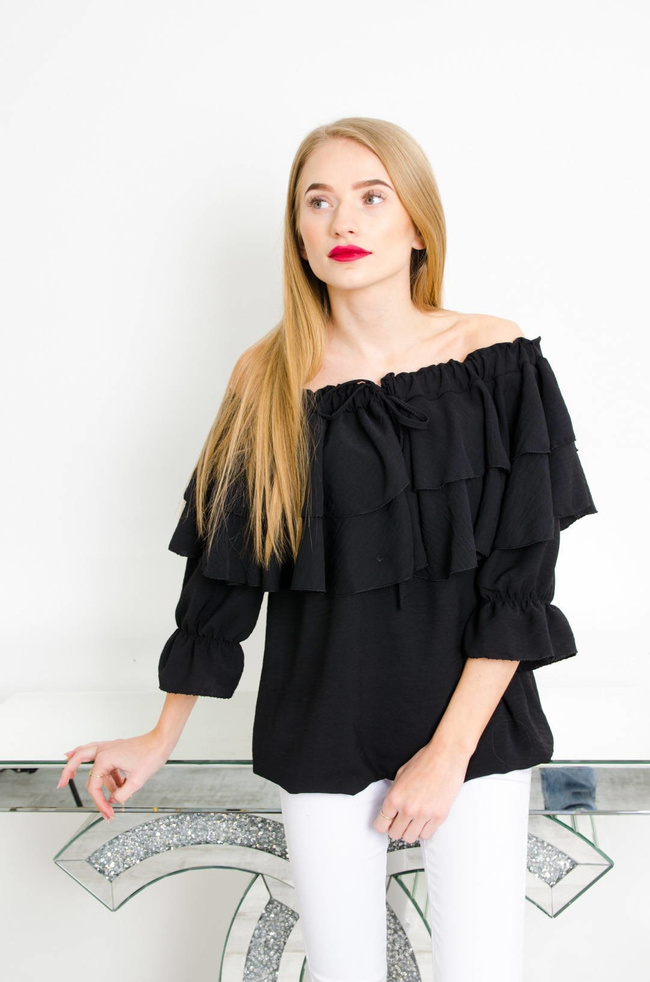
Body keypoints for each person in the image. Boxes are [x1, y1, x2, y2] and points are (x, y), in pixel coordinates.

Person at [57, 117, 598, 981]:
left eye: (371, 197)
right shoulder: (263, 378)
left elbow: (521, 579)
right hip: (319, 721)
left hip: (473, 730)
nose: (343, 220)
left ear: (416, 223)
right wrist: (160, 735)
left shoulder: (496, 359)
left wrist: (447, 755)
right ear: (300, 235)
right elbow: (222, 575)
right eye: (319, 202)